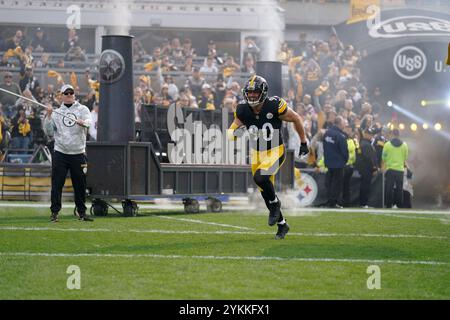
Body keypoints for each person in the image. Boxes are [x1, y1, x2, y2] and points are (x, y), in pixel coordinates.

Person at [228, 75, 309, 239]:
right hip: (256, 153)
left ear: (263, 92)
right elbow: (230, 134)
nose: (251, 96)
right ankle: (282, 225)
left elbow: (296, 118)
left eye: (255, 92)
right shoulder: (243, 109)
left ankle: (275, 204)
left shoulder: (274, 105)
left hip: (275, 151)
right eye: (249, 93)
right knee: (265, 191)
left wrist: (303, 142)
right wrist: (236, 132)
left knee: (260, 178)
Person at [43, 84, 93, 222]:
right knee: (57, 184)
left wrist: (83, 122)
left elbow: (89, 123)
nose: (69, 95)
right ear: (62, 96)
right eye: (66, 93)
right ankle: (54, 213)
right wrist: (48, 116)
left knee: (80, 185)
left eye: (71, 93)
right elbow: (48, 132)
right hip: (61, 153)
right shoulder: (56, 112)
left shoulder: (83, 109)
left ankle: (82, 212)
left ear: (74, 95)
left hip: (78, 153)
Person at [322, 116, 349, 208]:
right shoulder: (341, 136)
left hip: (328, 162)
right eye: (344, 123)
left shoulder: (327, 133)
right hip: (338, 163)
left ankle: (329, 201)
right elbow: (344, 151)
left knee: (329, 183)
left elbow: (324, 147)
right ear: (340, 124)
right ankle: (333, 202)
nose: (344, 125)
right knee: (336, 184)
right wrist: (344, 160)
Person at [382, 129, 409, 208]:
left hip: (390, 169)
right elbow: (405, 157)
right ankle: (398, 205)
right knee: (399, 189)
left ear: (392, 134)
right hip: (400, 170)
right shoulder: (404, 145)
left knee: (389, 188)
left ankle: (388, 205)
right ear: (399, 135)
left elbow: (383, 157)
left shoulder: (387, 144)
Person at [355, 127, 378, 208]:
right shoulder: (366, 145)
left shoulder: (363, 143)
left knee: (364, 186)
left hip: (364, 168)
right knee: (365, 186)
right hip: (367, 169)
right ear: (366, 134)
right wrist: (374, 168)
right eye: (370, 134)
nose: (371, 136)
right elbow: (370, 158)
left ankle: (363, 203)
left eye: (372, 134)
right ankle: (363, 203)